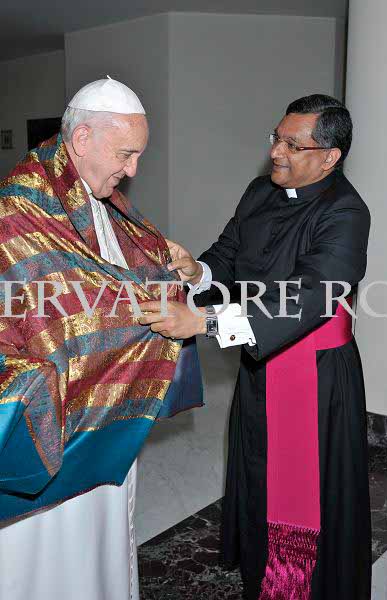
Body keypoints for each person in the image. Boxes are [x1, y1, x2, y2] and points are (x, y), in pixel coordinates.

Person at [139, 94, 371, 599]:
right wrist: (196, 272)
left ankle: (305, 584)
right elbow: (228, 256)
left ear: (330, 157)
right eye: (276, 138)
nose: (275, 152)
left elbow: (309, 295)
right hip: (259, 361)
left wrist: (202, 320)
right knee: (256, 468)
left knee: (310, 489)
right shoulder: (259, 192)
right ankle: (261, 568)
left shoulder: (347, 212)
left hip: (317, 377)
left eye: (292, 145)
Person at [0, 77, 202, 600]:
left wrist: (172, 274)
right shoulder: (19, 212)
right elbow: (44, 315)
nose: (132, 171)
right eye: (125, 154)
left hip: (105, 407)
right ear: (83, 138)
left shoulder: (101, 198)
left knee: (103, 535)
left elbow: (115, 277)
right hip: (57, 422)